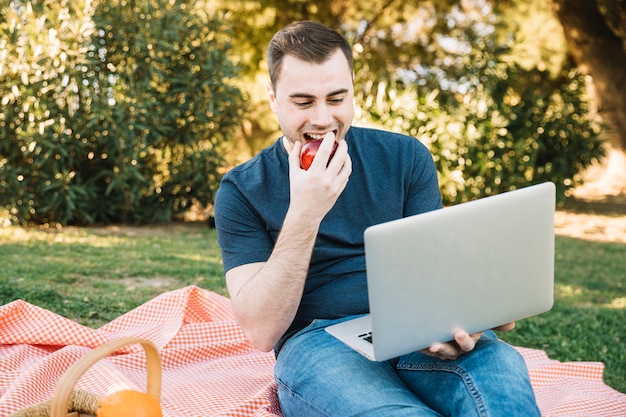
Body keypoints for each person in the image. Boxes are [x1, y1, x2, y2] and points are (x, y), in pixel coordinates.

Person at [214, 20, 541, 417]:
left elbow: (433, 271)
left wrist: (460, 316)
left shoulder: (405, 158)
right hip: (318, 343)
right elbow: (261, 331)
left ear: (354, 90)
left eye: (336, 99)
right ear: (273, 98)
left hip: (411, 327)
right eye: (303, 103)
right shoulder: (243, 189)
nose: (322, 120)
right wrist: (304, 212)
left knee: (503, 377)